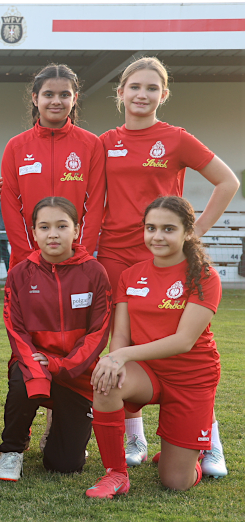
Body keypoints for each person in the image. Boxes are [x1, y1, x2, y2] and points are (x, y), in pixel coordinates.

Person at [96, 57, 237, 472]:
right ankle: (135, 439)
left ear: (164, 94)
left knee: (186, 346)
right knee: (122, 341)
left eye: (152, 88)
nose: (142, 94)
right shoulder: (105, 141)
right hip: (114, 254)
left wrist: (194, 233)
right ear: (120, 92)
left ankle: (209, 439)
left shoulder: (175, 138)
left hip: (163, 253)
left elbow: (228, 181)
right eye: (134, 86)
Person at [85, 196, 223, 498]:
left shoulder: (205, 276)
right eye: (151, 228)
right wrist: (115, 359)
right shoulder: (130, 275)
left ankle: (193, 451)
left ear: (187, 232)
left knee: (175, 481)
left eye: (168, 229)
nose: (157, 236)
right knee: (106, 382)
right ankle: (116, 474)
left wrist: (121, 355)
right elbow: (121, 335)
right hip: (147, 372)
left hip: (191, 378)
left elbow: (184, 341)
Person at [0, 198, 111, 481]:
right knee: (22, 379)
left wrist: (62, 364)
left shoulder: (94, 272)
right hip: (34, 366)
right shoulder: (20, 273)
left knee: (64, 465)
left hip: (77, 374)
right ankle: (12, 450)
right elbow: (15, 329)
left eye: (62, 226)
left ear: (76, 230)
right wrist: (38, 366)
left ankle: (61, 435)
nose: (53, 234)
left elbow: (98, 332)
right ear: (34, 233)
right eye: (44, 227)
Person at [0, 64, 106, 268]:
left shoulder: (91, 145)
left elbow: (93, 207)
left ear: (74, 99)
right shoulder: (16, 147)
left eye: (64, 95)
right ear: (35, 98)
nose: (56, 101)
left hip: (76, 263)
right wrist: (28, 260)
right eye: (48, 94)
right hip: (27, 263)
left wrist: (79, 257)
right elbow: (11, 209)